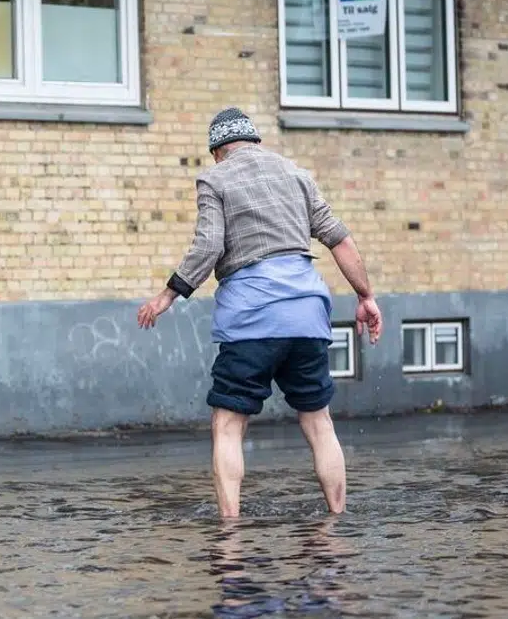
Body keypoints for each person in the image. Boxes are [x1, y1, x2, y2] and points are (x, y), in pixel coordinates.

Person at [136, 107, 382, 518]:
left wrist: (168, 295)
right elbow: (339, 239)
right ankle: (337, 520)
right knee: (319, 422)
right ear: (255, 142)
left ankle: (230, 532)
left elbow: (209, 245)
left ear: (218, 151)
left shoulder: (215, 179)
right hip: (307, 316)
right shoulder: (296, 174)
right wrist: (366, 296)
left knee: (228, 425)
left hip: (252, 317)